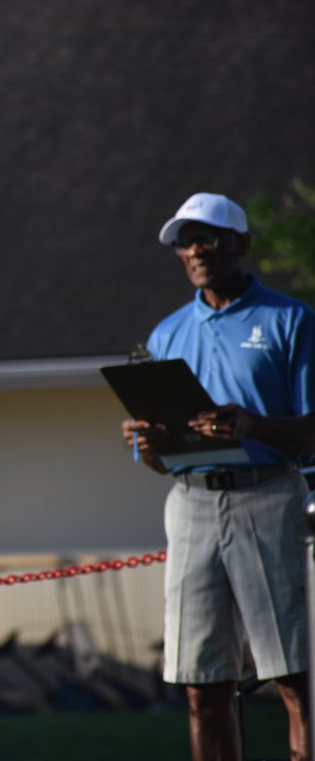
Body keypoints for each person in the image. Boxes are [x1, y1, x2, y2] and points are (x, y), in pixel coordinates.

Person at [121, 192, 315, 761]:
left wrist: (253, 425)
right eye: (185, 240)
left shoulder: (291, 320)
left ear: (242, 244)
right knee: (202, 684)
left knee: (295, 678)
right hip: (191, 506)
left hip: (270, 495)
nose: (196, 249)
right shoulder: (164, 336)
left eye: (207, 236)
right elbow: (159, 460)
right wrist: (148, 445)